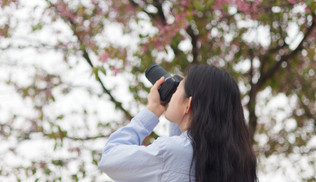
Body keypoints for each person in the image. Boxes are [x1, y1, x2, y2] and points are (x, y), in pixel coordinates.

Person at [98, 64, 258, 182]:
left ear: (188, 104)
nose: (172, 96)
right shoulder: (239, 162)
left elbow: (110, 159)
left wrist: (152, 111)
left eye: (177, 90)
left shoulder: (170, 152)